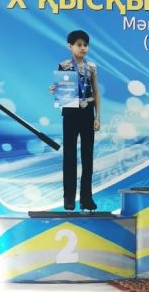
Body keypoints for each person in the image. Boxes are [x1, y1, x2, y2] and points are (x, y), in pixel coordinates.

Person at [50, 30, 100, 211]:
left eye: (85, 45)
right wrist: (54, 90)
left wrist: (97, 117)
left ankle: (86, 198)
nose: (83, 48)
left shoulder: (91, 67)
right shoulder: (64, 66)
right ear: (70, 46)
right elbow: (61, 90)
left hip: (87, 112)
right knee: (69, 157)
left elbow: (96, 92)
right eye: (79, 45)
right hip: (70, 113)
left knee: (88, 157)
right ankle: (69, 199)